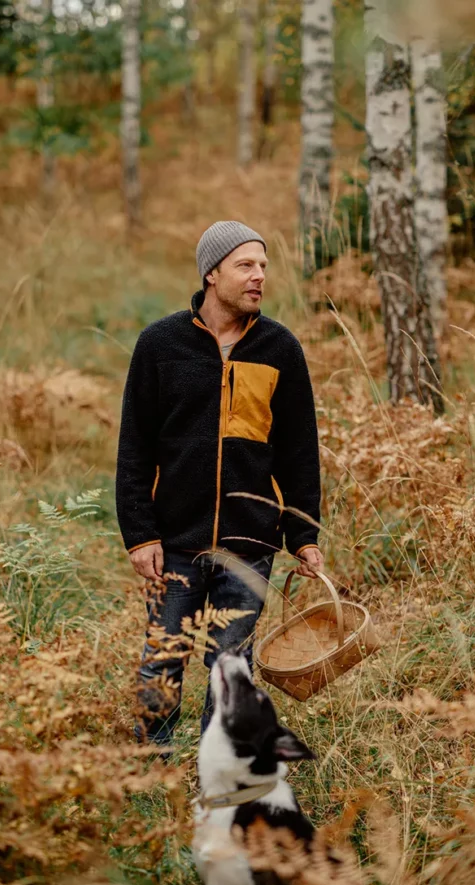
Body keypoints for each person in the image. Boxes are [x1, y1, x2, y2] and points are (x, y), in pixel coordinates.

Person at [116, 220, 323, 745]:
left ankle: (219, 779)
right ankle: (147, 774)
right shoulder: (160, 345)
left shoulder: (280, 349)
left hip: (250, 545)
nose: (259, 277)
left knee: (230, 671)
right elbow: (135, 449)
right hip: (176, 542)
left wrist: (303, 534)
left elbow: (298, 453)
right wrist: (141, 534)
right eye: (246, 265)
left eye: (263, 267)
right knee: (160, 663)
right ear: (212, 273)